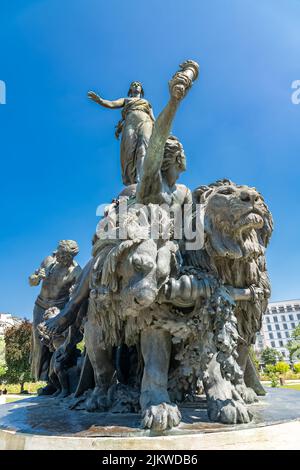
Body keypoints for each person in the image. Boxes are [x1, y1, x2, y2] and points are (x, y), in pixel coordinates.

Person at [29, 240, 82, 394]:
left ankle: (58, 382)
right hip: (40, 306)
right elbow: (31, 281)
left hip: (59, 308)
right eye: (59, 254)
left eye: (64, 256)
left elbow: (77, 295)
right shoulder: (48, 261)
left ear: (71, 256)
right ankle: (47, 382)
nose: (60, 258)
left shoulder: (76, 271)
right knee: (40, 345)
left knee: (57, 344)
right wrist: (36, 277)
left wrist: (73, 292)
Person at [88, 81, 155, 186]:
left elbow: (153, 117)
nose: (136, 85)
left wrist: (160, 129)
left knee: (143, 148)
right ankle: (132, 179)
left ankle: (140, 177)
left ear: (141, 89)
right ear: (130, 89)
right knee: (129, 151)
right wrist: (100, 101)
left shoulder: (146, 102)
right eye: (133, 84)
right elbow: (112, 104)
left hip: (146, 122)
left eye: (138, 85)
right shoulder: (126, 100)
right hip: (130, 124)